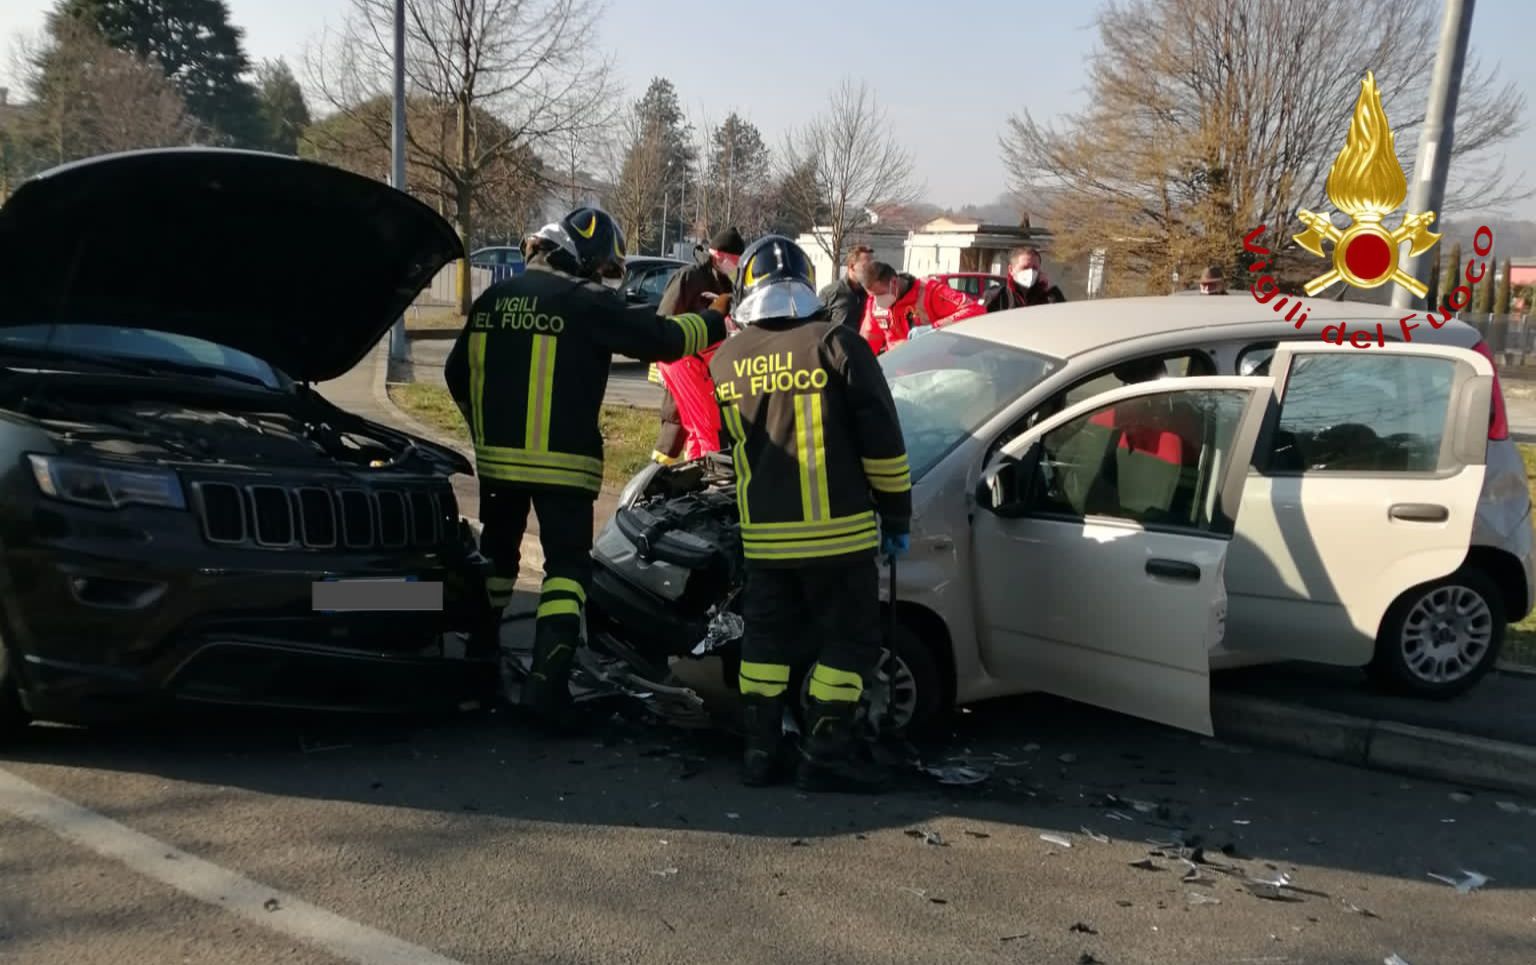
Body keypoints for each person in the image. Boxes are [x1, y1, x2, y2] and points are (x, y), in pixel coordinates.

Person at [445, 207, 729, 728]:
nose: (601, 278)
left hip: (499, 464)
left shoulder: (491, 301)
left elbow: (455, 372)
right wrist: (714, 319)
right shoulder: (583, 303)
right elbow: (664, 339)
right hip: (564, 466)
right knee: (566, 574)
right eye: (601, 268)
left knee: (498, 560)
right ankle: (546, 688)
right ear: (582, 258)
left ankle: (480, 658)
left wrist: (486, 429)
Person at [708, 236, 912, 793]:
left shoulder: (726, 361)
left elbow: (730, 447)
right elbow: (885, 447)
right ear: (803, 284)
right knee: (849, 645)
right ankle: (822, 754)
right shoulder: (839, 344)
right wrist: (896, 519)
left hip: (766, 543)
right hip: (839, 541)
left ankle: (759, 753)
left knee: (766, 647)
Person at [650, 227, 746, 464]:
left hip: (703, 367)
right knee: (696, 428)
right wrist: (658, 361)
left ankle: (688, 480)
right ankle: (693, 478)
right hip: (685, 362)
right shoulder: (689, 277)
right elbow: (663, 319)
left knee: (690, 427)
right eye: (734, 260)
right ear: (719, 255)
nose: (736, 265)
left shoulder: (724, 283)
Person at [859, 262, 986, 354]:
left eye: (880, 294)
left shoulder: (929, 292)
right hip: (898, 373)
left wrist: (933, 328)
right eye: (873, 295)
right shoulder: (875, 305)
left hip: (932, 371)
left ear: (894, 282)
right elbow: (867, 343)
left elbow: (975, 311)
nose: (877, 300)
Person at [983, 246, 1067, 312]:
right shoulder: (996, 297)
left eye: (1034, 268)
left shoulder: (1050, 296)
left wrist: (1049, 290)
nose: (1030, 272)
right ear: (1011, 270)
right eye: (1025, 268)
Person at [820, 244, 874, 330]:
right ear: (852, 267)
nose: (871, 270)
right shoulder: (830, 293)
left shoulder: (873, 294)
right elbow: (818, 328)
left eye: (872, 266)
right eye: (866, 266)